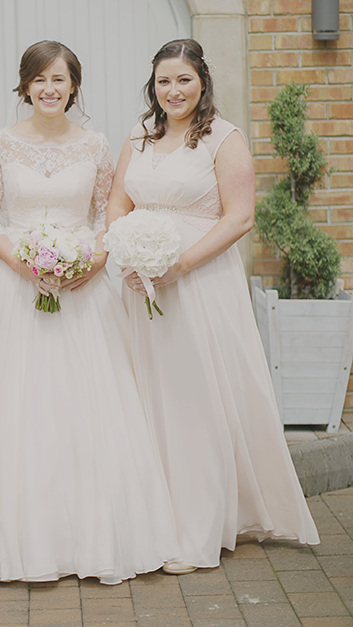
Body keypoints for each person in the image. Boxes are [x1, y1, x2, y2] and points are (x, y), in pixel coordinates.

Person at [108, 38, 319, 572]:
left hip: (197, 283)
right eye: (163, 81)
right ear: (152, 86)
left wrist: (177, 266)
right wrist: (124, 250)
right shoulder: (138, 135)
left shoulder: (223, 138)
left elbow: (238, 218)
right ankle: (154, 518)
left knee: (192, 400)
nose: (172, 91)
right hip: (138, 285)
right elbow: (117, 201)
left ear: (202, 81)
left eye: (183, 79)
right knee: (143, 397)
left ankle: (198, 530)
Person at [0, 40, 179, 584]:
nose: (49, 89)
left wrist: (90, 264)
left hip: (83, 286)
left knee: (89, 407)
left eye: (60, 80)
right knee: (19, 409)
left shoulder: (95, 145)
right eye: (39, 80)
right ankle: (21, 539)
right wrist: (24, 268)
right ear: (24, 86)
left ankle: (96, 534)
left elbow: (104, 216)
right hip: (17, 288)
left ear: (74, 87)